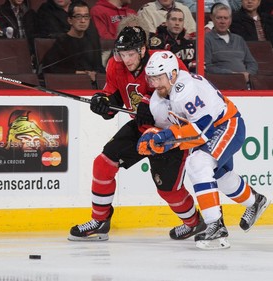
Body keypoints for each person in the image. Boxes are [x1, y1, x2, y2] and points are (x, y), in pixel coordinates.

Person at [68, 26, 206, 242]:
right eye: (122, 54)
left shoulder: (164, 60)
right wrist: (103, 102)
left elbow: (184, 90)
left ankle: (194, 223)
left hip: (169, 134)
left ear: (143, 50)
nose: (126, 59)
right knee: (103, 163)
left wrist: (150, 102)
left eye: (131, 54)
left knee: (168, 191)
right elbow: (112, 94)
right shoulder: (115, 65)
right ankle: (100, 220)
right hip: (141, 130)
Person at [138, 50, 270, 249]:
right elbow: (171, 131)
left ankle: (214, 224)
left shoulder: (187, 89)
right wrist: (155, 137)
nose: (155, 84)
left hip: (226, 124)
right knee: (220, 176)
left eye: (159, 77)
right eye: (151, 78)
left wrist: (168, 137)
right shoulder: (158, 100)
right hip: (206, 131)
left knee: (198, 163)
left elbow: (203, 129)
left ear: (173, 74)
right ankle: (255, 201)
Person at [40, 0, 104, 83]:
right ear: (70, 20)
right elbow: (49, 69)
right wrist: (77, 73)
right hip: (69, 85)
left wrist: (94, 73)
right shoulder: (62, 42)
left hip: (91, 85)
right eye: (78, 16)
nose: (83, 21)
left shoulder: (93, 41)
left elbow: (99, 67)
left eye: (86, 16)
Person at [205, 3, 258, 83]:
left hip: (245, 83)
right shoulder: (206, 39)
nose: (222, 21)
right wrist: (232, 75)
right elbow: (207, 66)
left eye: (226, 18)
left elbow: (252, 63)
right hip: (222, 83)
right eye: (219, 18)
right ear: (212, 18)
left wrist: (248, 74)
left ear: (230, 20)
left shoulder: (239, 39)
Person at [149, 7, 196, 72]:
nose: (177, 23)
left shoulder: (188, 42)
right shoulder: (158, 40)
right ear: (167, 22)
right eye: (174, 19)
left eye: (180, 20)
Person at [176, 0, 241, 13]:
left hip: (223, 22)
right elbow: (189, 8)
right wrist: (213, 11)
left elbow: (236, 6)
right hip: (197, 24)